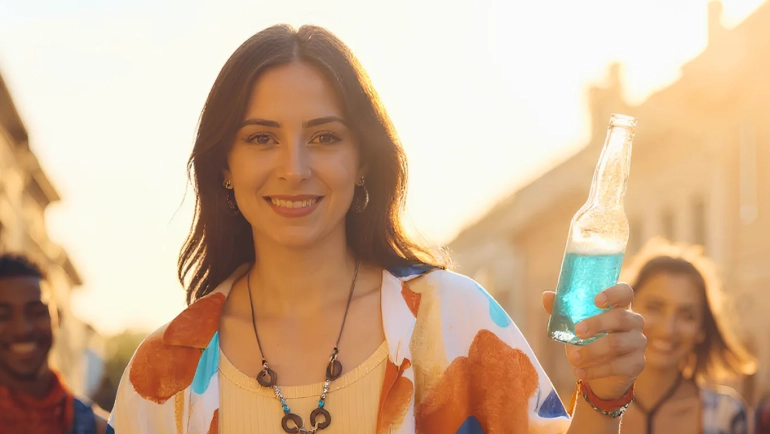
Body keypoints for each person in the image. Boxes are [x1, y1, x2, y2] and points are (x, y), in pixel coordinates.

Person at [107, 24, 646, 434]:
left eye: (324, 138)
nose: (294, 167)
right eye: (260, 138)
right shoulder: (162, 374)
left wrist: (601, 395)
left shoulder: (454, 321)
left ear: (364, 159)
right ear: (223, 165)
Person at [617, 238, 756, 434]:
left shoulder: (727, 414)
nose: (668, 329)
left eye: (687, 315)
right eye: (654, 307)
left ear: (702, 329)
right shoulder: (592, 403)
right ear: (627, 309)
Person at [0, 253, 108, 434]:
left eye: (36, 312)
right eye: (3, 315)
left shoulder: (100, 429)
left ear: (58, 317)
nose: (22, 329)